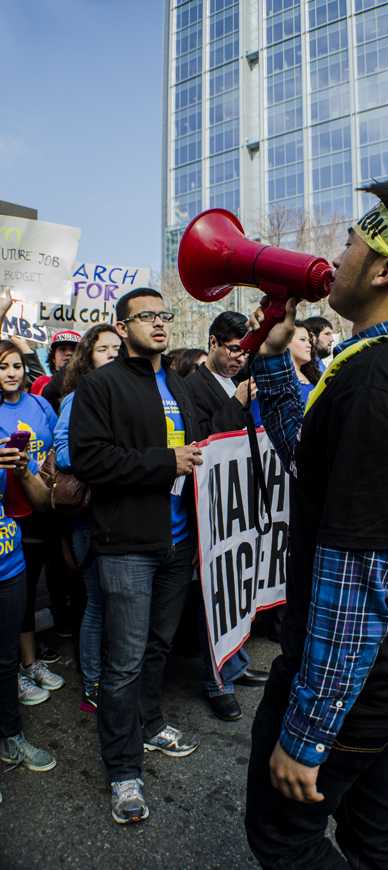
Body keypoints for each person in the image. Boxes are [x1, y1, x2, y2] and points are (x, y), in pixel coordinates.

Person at [244, 176, 388, 868]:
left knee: (285, 839)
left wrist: (308, 732)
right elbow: (309, 455)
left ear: (383, 269)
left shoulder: (375, 386)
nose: (336, 254)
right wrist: (272, 362)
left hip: (356, 679)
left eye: (351, 240)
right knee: (368, 827)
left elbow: (353, 584)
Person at [69, 287, 203, 825]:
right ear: (122, 328)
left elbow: (205, 443)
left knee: (157, 647)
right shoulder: (99, 386)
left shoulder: (177, 382)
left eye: (164, 315)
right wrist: (164, 461)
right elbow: (91, 460)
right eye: (146, 316)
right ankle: (123, 769)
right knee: (122, 663)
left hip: (178, 541)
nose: (160, 323)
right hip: (126, 545)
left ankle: (149, 727)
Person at [185, 311, 268, 722]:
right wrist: (236, 405)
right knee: (212, 597)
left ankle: (234, 662)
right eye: (233, 349)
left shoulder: (238, 382)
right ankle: (216, 680)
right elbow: (203, 442)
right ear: (214, 343)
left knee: (235, 589)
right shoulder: (192, 388)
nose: (239, 358)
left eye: (245, 351)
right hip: (207, 512)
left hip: (236, 506)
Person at [54, 325, 122, 713]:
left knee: (119, 603)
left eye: (117, 347)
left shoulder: (128, 392)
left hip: (122, 515)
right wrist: (110, 458)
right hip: (90, 517)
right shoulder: (78, 397)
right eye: (103, 348)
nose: (112, 353)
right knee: (97, 601)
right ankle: (93, 681)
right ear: (88, 356)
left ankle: (114, 674)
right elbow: (64, 455)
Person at [0, 339, 65, 705]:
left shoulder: (40, 403)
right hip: (6, 518)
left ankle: (29, 663)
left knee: (27, 594)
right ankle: (14, 671)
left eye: (16, 365)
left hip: (38, 509)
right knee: (13, 600)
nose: (11, 373)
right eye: (3, 366)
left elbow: (56, 445)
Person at [0, 434, 56, 800]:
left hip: (10, 565)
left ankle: (10, 738)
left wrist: (23, 472)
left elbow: (41, 502)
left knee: (6, 662)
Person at [30, 330, 82, 403]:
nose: (69, 353)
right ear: (53, 358)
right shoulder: (42, 383)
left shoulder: (89, 383)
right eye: (62, 349)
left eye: (74, 350)